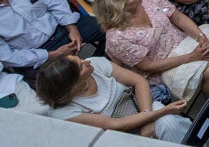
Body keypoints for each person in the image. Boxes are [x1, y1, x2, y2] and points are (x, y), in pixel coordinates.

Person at [93, 0, 209, 101]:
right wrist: (192, 56)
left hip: (182, 41)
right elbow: (147, 66)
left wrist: (201, 38)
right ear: (119, 8)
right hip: (162, 67)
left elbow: (178, 18)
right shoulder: (116, 38)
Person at [33, 53, 191, 141]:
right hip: (119, 135)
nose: (86, 61)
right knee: (165, 120)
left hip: (140, 105)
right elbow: (114, 124)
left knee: (169, 124)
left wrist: (147, 116)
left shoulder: (95, 63)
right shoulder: (62, 112)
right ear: (73, 85)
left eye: (79, 58)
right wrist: (161, 112)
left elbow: (138, 81)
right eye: (81, 66)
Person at [0, 0, 103, 80]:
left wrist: (71, 26)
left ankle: (97, 67)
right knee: (49, 82)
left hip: (61, 28)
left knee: (107, 28)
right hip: (36, 52)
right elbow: (8, 57)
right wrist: (52, 55)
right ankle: (82, 76)